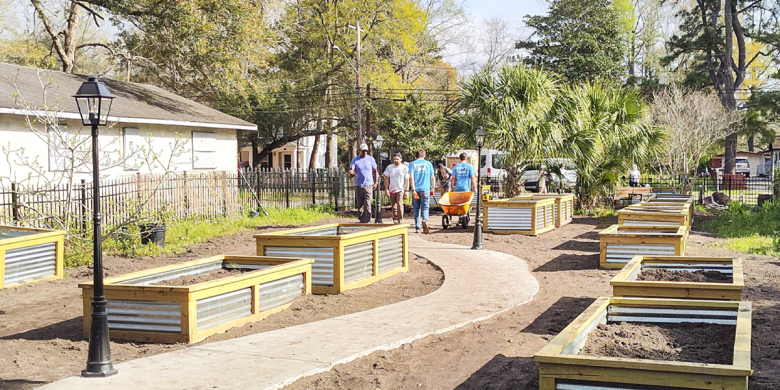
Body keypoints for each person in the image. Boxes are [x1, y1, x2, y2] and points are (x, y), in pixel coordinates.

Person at [349, 143, 378, 223]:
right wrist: (352, 173)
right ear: (360, 151)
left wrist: (376, 182)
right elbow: (352, 169)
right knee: (360, 203)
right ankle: (361, 220)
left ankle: (368, 219)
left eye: (366, 151)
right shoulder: (355, 160)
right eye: (363, 151)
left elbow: (375, 171)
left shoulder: (371, 159)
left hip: (368, 184)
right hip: (359, 184)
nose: (365, 152)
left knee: (368, 202)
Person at [409, 149, 435, 234]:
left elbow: (411, 177)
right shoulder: (428, 164)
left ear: (415, 156)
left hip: (416, 189)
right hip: (426, 189)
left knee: (416, 208)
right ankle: (425, 220)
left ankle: (417, 227)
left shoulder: (412, 164)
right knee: (425, 207)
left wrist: (413, 190)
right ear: (424, 155)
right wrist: (432, 189)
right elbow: (433, 178)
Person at [383, 153, 409, 224]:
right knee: (393, 204)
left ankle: (400, 218)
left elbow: (407, 180)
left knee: (399, 203)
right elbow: (386, 179)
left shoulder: (404, 168)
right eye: (394, 159)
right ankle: (395, 218)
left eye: (397, 159)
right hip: (392, 188)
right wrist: (386, 189)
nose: (396, 161)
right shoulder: (390, 167)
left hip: (400, 188)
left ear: (401, 159)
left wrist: (407, 191)